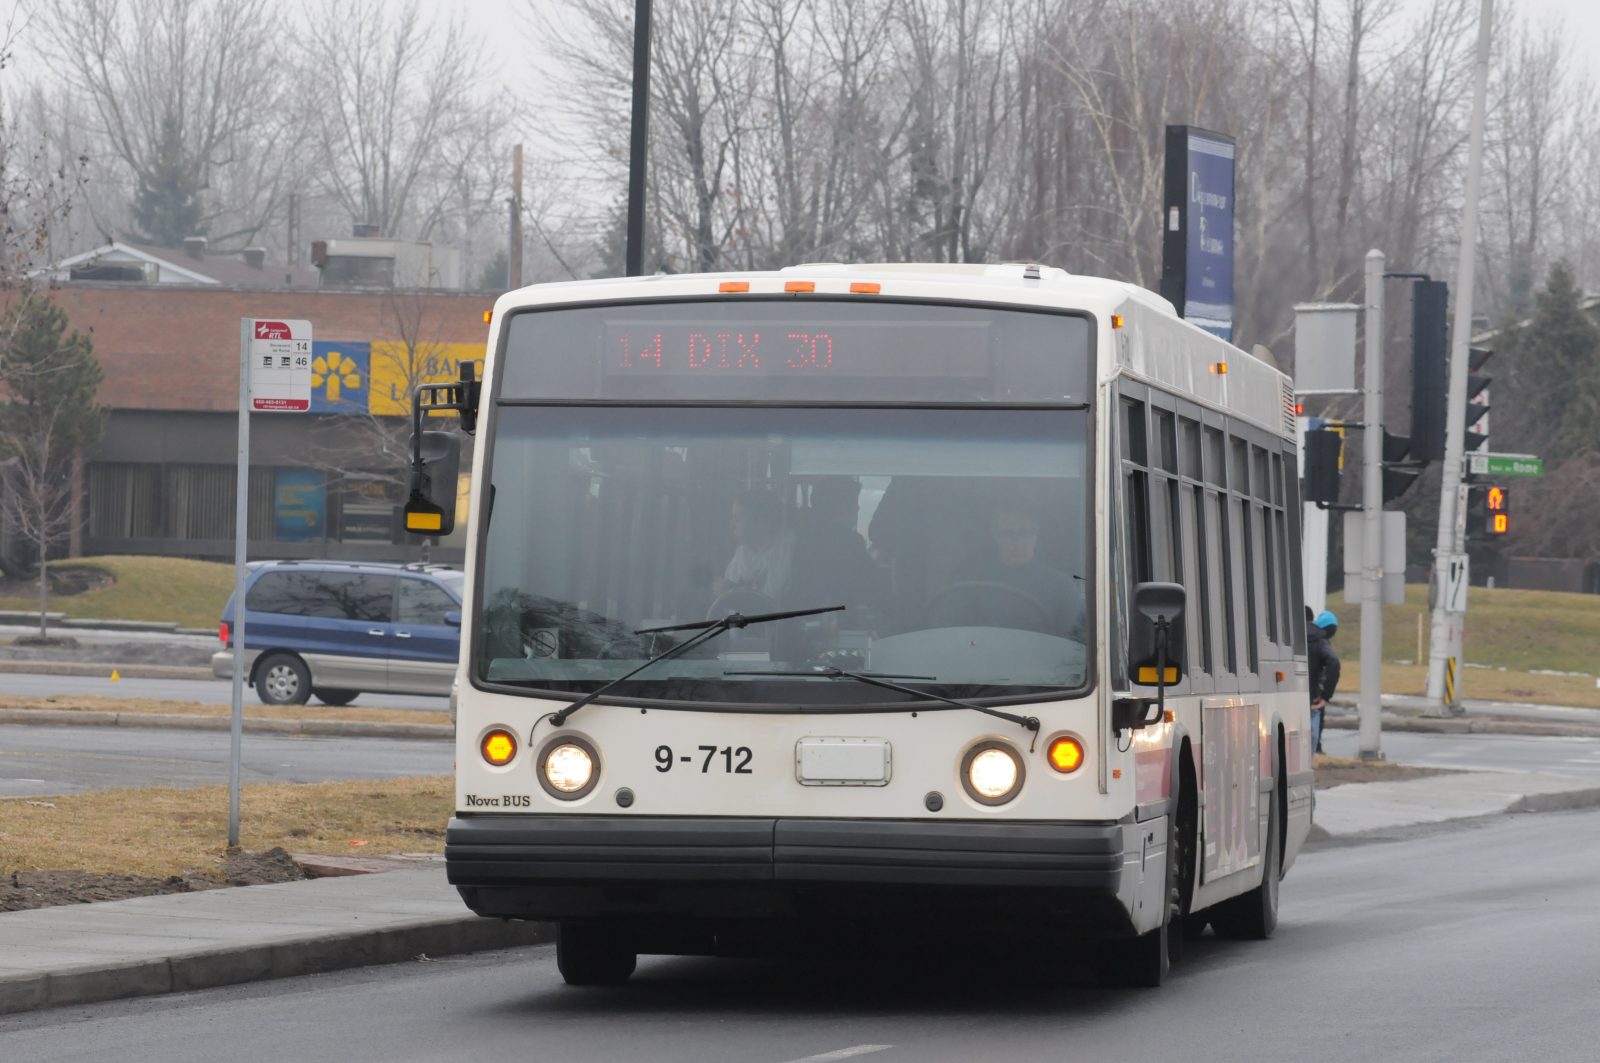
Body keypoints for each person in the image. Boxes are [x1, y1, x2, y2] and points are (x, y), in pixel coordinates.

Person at [940, 501, 1083, 638]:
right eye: (1007, 533)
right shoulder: (970, 583)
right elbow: (953, 631)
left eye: (1024, 532)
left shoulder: (1061, 587)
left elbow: (1072, 645)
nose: (1016, 541)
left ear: (1036, 535)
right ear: (995, 536)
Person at [714, 490, 794, 603]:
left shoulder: (793, 556)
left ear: (762, 524)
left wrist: (734, 593)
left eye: (737, 519)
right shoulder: (741, 553)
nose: (731, 525)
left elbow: (771, 606)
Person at [1307, 607, 1341, 754]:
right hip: (1314, 694)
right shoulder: (1321, 642)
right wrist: (1326, 694)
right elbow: (1333, 663)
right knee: (1314, 729)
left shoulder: (1292, 636)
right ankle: (1315, 751)